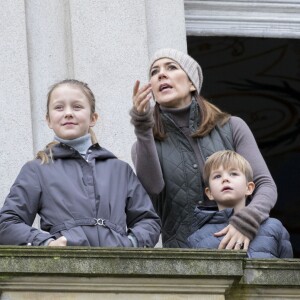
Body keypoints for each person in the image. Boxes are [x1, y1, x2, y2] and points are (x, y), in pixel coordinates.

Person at [130, 48, 277, 248]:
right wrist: (142, 127)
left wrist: (247, 220)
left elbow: (265, 185)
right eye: (154, 72)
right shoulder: (144, 142)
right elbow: (153, 191)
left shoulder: (232, 127)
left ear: (192, 83)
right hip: (183, 262)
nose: (161, 74)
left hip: (243, 249)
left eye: (171, 67)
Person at [0, 79, 161, 247]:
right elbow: (7, 223)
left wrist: (131, 243)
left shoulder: (120, 170)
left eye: (77, 107)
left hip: (118, 268)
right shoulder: (37, 169)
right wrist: (45, 243)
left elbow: (148, 220)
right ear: (48, 120)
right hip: (66, 268)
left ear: (93, 118)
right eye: (59, 107)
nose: (68, 113)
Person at [187, 150, 293, 258]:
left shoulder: (274, 228)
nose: (225, 179)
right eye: (217, 176)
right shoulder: (197, 238)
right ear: (209, 193)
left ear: (249, 188)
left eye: (233, 174)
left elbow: (290, 272)